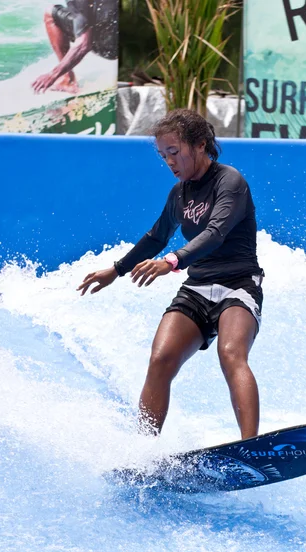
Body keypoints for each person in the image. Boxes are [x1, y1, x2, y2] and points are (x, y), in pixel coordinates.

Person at [77, 109, 264, 440]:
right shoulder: (179, 194)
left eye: (174, 152)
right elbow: (157, 236)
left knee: (231, 354)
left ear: (200, 145)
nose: (169, 162)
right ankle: (144, 451)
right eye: (164, 156)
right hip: (197, 287)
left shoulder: (230, 182)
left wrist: (172, 262)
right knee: (161, 359)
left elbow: (216, 233)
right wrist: (116, 270)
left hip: (238, 285)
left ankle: (250, 446)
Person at [32, 0, 117, 94]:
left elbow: (83, 45)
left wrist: (53, 74)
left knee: (50, 14)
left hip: (108, 48)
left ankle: (68, 80)